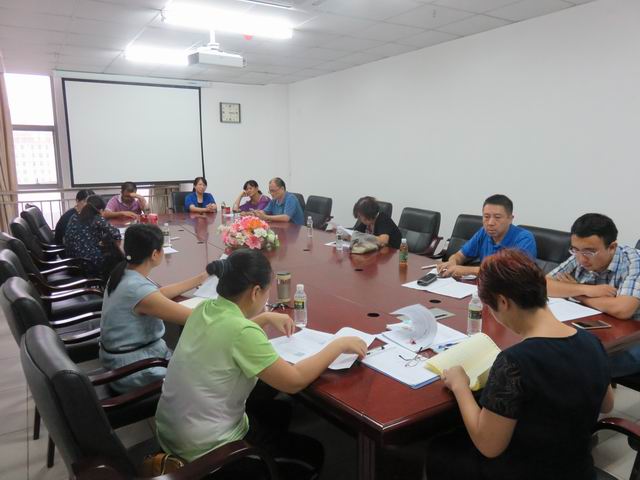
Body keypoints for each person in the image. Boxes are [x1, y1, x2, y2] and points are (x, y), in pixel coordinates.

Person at [155, 249, 367, 478]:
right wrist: (337, 345)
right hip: (206, 452)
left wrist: (264, 318)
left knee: (279, 412)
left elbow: (227, 333)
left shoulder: (204, 309)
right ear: (256, 292)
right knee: (311, 453)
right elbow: (294, 381)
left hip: (173, 434)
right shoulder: (242, 332)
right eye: (267, 292)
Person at [426, 249, 614, 480]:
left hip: (523, 472)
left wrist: (460, 386)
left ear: (503, 302)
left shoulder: (515, 362)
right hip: (577, 470)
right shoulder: (592, 342)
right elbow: (607, 404)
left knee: (439, 449)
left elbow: (488, 446)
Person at [100, 224, 212, 393]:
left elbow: (158, 294)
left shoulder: (123, 272)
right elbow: (196, 317)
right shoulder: (138, 290)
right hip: (136, 369)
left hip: (124, 359)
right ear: (154, 254)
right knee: (207, 372)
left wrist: (201, 278)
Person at [547, 213, 640, 377]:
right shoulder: (580, 255)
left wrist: (578, 294)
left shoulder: (634, 262)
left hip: (633, 338)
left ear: (612, 247)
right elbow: (543, 284)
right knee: (549, 352)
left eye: (589, 252)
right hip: (599, 327)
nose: (581, 259)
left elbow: (623, 309)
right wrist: (586, 289)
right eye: (575, 250)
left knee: (575, 366)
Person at [437, 194, 536, 278]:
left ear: (510, 219)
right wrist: (453, 261)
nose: (490, 223)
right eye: (486, 217)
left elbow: (513, 274)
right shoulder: (484, 232)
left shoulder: (524, 238)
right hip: (485, 286)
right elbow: (460, 255)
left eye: (497, 217)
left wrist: (466, 270)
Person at [63, 195, 122, 277]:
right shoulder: (96, 218)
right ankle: (109, 281)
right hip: (88, 262)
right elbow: (116, 234)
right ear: (101, 210)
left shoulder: (74, 216)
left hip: (72, 261)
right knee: (116, 256)